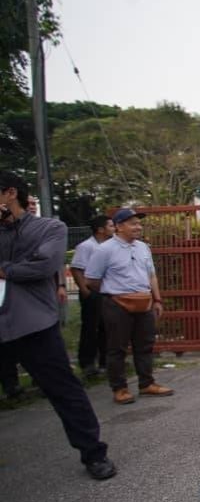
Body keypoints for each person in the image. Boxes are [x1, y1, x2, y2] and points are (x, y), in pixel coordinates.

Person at [0, 171, 116, 480]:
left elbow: (43, 265)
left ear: (9, 193)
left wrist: (6, 270)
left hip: (32, 323)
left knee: (64, 390)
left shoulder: (49, 227)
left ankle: (94, 453)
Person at [85, 208, 174, 404]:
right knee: (117, 348)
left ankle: (146, 383)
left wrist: (157, 299)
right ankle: (119, 388)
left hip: (144, 302)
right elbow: (91, 280)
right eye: (133, 223)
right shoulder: (105, 249)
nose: (138, 227)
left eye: (139, 223)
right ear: (118, 226)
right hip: (117, 303)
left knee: (145, 345)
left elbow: (151, 275)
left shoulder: (143, 247)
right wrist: (114, 291)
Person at [70, 215, 115, 378]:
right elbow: (76, 269)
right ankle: (87, 362)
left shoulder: (111, 245)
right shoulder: (86, 246)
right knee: (91, 327)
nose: (114, 228)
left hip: (107, 291)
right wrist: (85, 290)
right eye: (110, 226)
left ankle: (105, 361)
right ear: (100, 229)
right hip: (92, 292)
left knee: (107, 327)